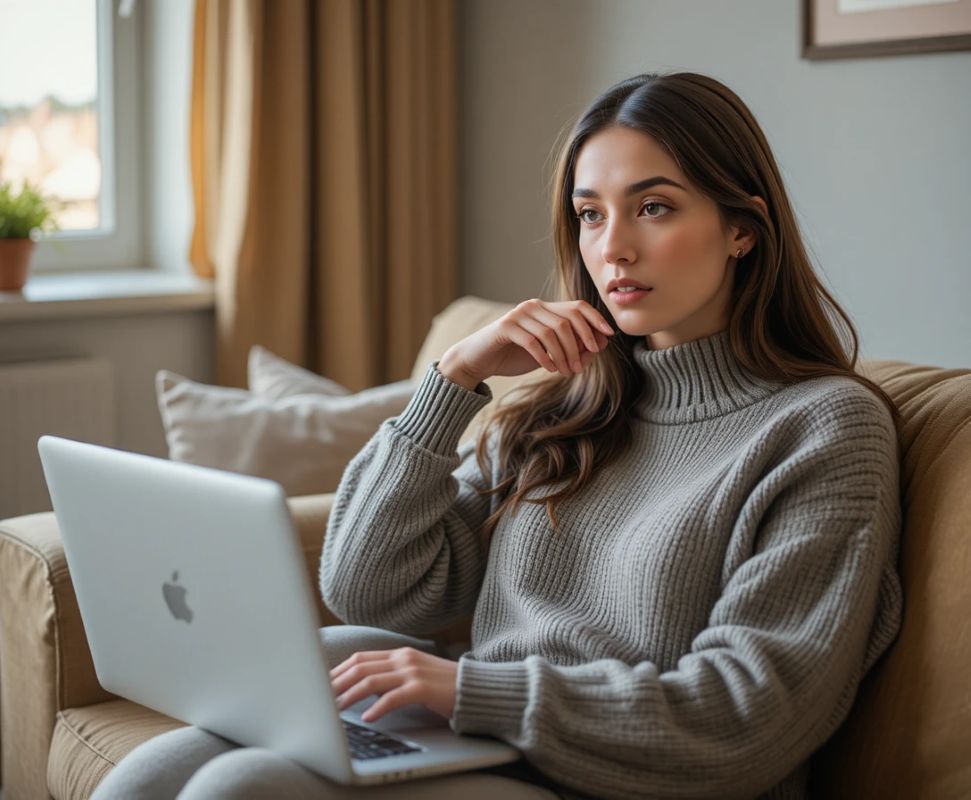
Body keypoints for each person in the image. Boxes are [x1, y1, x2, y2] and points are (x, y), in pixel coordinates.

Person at [92, 71, 902, 800]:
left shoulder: (822, 428)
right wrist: (450, 383)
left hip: (615, 779)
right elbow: (369, 587)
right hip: (483, 740)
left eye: (653, 207)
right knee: (155, 772)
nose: (610, 246)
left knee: (243, 787)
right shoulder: (561, 410)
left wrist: (467, 691)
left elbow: (744, 717)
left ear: (741, 230)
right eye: (589, 214)